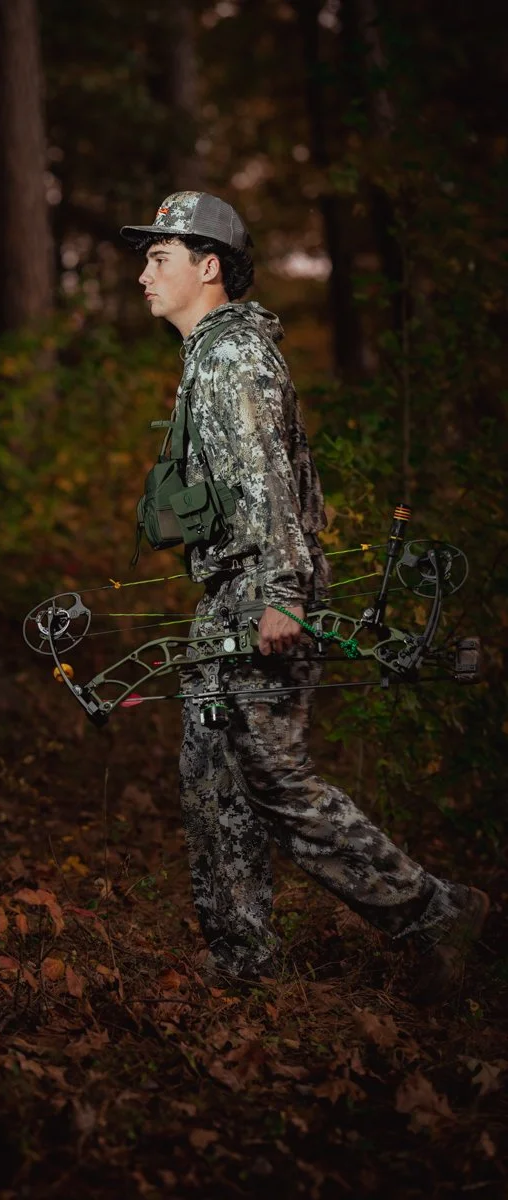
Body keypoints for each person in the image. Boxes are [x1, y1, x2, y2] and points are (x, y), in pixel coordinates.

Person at [119, 191, 488, 1002]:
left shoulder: (232, 358)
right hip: (236, 590)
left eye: (160, 256)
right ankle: (243, 962)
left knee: (273, 778)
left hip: (262, 589)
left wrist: (280, 594)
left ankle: (437, 913)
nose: (143, 272)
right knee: (213, 773)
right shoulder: (208, 355)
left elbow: (268, 486)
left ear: (207, 266)